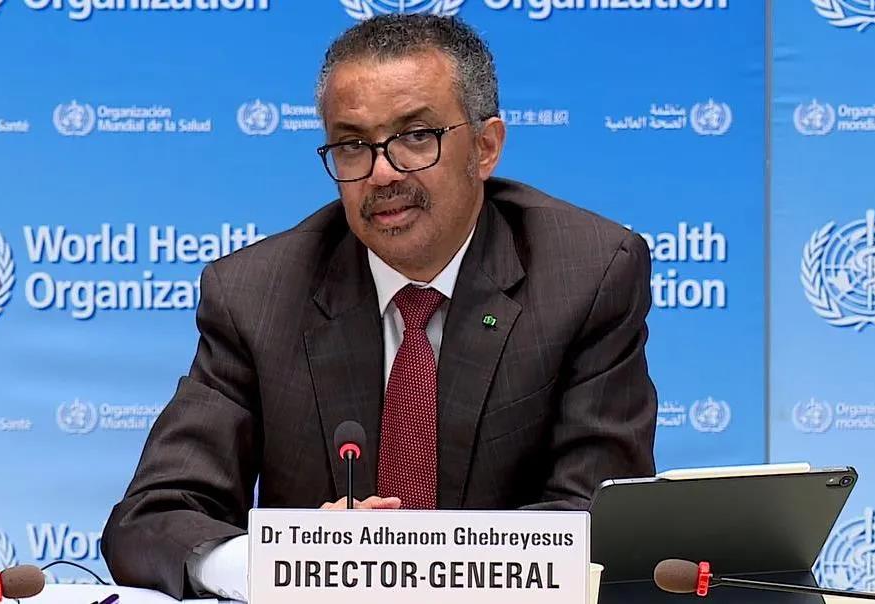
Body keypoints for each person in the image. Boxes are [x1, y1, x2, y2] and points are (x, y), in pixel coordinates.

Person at [101, 13, 657, 602]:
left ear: (485, 147)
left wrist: (394, 564)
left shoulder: (585, 274)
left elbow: (598, 517)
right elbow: (152, 520)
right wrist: (282, 563)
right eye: (352, 145)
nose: (382, 173)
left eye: (416, 136)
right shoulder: (257, 295)